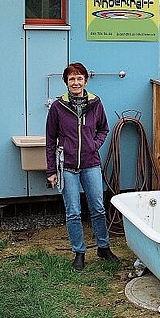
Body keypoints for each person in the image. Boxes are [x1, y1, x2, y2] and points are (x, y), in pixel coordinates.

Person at [45, 62, 119, 270]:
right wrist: (51, 170)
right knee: (73, 212)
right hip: (67, 167)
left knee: (98, 207)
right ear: (66, 83)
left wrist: (93, 145)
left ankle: (103, 247)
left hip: (90, 164)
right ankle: (79, 252)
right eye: (71, 79)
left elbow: (103, 128)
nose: (75, 82)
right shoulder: (58, 107)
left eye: (79, 78)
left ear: (85, 81)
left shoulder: (96, 103)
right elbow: (50, 139)